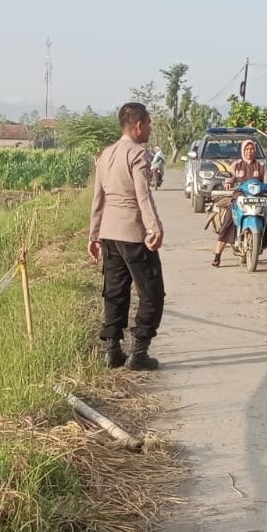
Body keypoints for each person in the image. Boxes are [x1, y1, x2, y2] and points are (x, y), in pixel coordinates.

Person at [88, 102, 165, 371]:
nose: (150, 129)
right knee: (151, 293)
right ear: (138, 125)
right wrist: (154, 227)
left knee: (115, 292)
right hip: (133, 233)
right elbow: (143, 195)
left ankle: (113, 350)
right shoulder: (137, 154)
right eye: (149, 123)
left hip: (109, 233)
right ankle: (140, 352)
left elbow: (98, 199)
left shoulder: (105, 154)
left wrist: (94, 235)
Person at [211, 139, 267, 268]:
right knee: (228, 220)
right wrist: (228, 182)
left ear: (255, 151)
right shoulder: (236, 165)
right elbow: (230, 177)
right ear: (243, 151)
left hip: (259, 198)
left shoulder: (261, 166)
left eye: (251, 149)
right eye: (247, 149)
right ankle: (217, 256)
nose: (249, 152)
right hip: (240, 197)